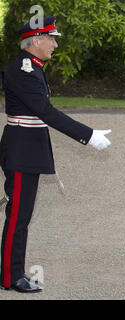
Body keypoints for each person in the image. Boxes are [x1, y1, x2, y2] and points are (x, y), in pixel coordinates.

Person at [0, 16, 112, 293]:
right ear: (35, 41)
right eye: (51, 38)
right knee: (18, 217)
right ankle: (9, 277)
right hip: (21, 152)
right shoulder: (24, 70)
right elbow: (46, 112)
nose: (55, 44)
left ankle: (12, 272)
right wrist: (89, 135)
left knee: (21, 215)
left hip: (26, 150)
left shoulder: (33, 67)